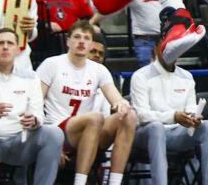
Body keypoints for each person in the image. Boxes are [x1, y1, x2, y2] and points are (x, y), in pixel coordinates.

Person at [37, 21, 137, 185]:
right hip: (59, 130)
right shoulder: (51, 64)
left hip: (91, 131)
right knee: (95, 118)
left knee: (129, 116)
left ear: (91, 43)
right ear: (68, 41)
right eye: (77, 37)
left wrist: (121, 104)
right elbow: (35, 103)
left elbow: (115, 97)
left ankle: (114, 182)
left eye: (86, 38)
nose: (82, 41)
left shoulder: (99, 70)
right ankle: (80, 182)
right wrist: (50, 143)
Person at [0, 28, 63, 185]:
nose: (5, 47)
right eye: (0, 43)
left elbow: (38, 113)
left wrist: (34, 120)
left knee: (54, 133)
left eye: (10, 43)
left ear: (18, 50)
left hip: (20, 143)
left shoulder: (31, 76)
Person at [131, 47, 208, 185]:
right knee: (156, 127)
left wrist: (194, 117)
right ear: (156, 50)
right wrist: (173, 116)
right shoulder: (140, 76)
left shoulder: (186, 76)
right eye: (165, 48)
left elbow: (190, 106)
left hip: (177, 133)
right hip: (146, 133)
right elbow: (142, 116)